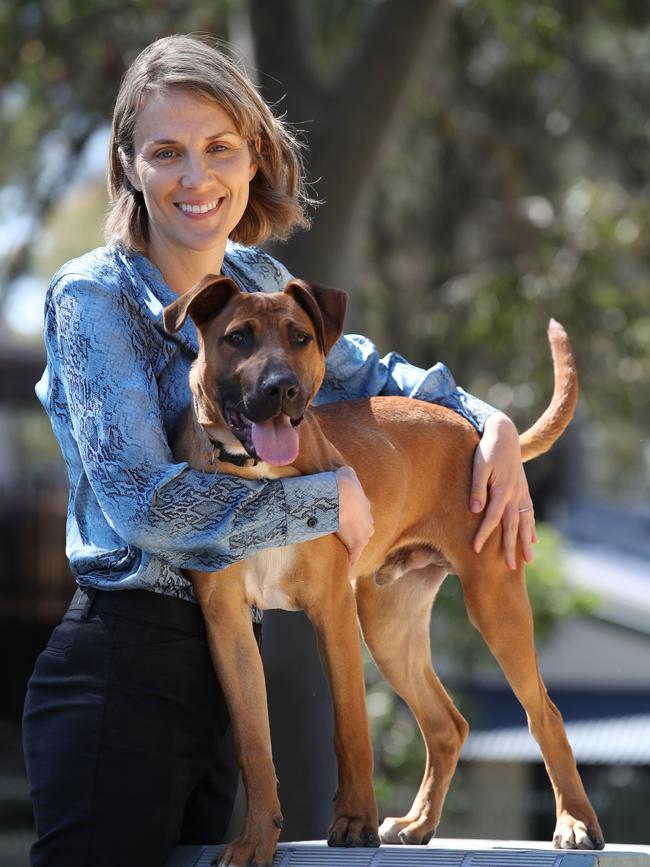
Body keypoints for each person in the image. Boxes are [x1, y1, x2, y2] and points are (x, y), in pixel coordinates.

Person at [22, 33, 536, 867]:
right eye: (166, 152)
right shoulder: (93, 299)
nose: (196, 177)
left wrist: (493, 426)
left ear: (253, 156)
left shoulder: (258, 277)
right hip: (122, 667)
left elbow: (375, 369)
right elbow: (147, 506)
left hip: (229, 677)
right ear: (129, 168)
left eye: (219, 147)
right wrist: (322, 498)